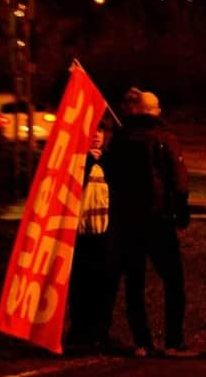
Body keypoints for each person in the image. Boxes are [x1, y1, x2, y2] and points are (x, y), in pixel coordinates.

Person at [106, 91, 196, 358]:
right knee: (173, 282)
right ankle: (173, 341)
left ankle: (142, 342)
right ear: (153, 111)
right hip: (159, 220)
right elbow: (179, 182)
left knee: (134, 282)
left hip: (128, 221)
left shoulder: (121, 138)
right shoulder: (164, 138)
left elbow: (112, 176)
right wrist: (182, 215)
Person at [66, 120, 118, 351]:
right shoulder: (75, 160)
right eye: (92, 130)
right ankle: (79, 334)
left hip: (105, 233)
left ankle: (101, 333)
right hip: (80, 234)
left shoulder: (110, 160)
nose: (96, 135)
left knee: (104, 285)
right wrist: (88, 160)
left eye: (101, 130)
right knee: (80, 285)